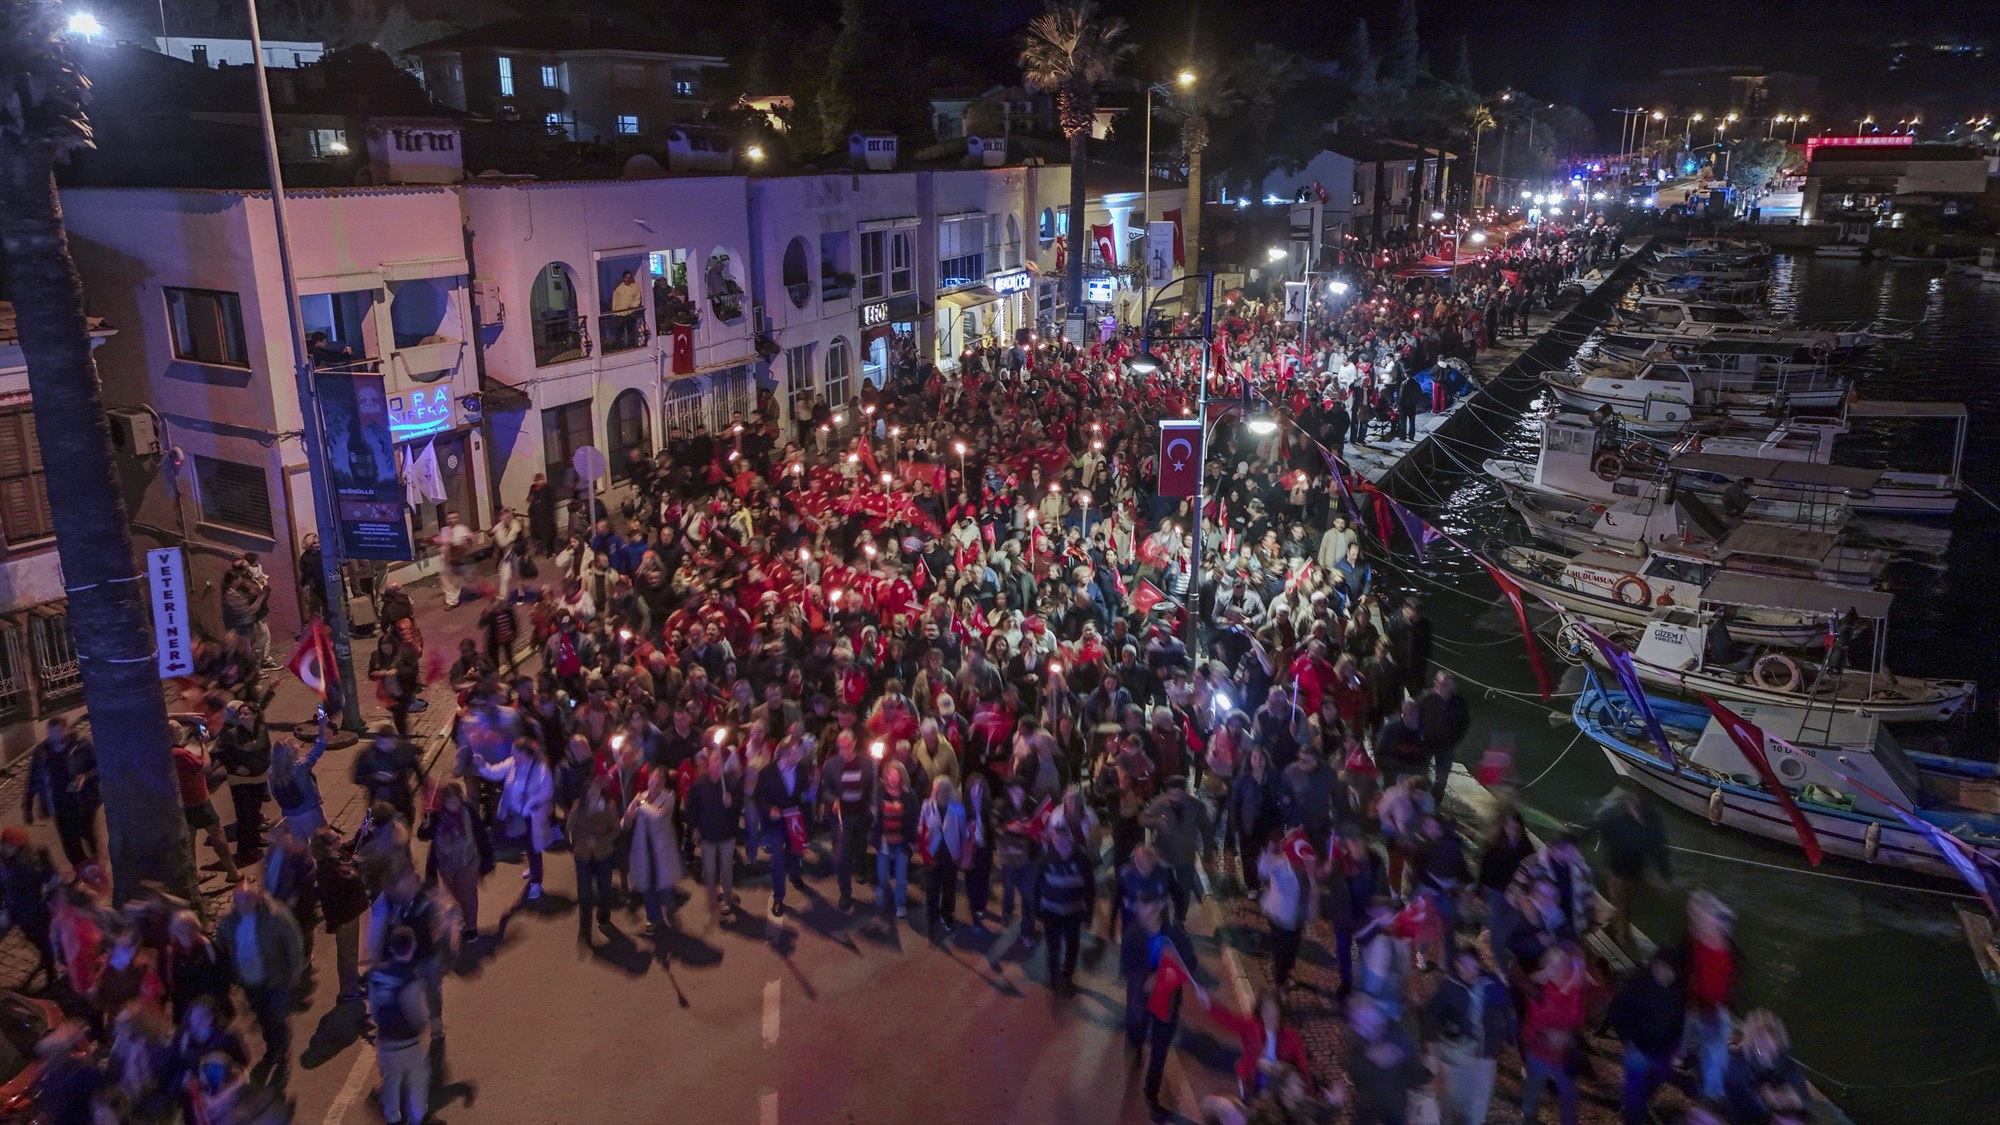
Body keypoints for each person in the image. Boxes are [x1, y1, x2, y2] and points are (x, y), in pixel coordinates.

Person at [1121, 894, 1203, 1123]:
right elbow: (1127, 968)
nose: (1143, 915)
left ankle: (1151, 1095)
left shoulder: (1174, 933)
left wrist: (1173, 968)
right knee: (1136, 1032)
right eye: (1141, 910)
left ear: (1158, 909)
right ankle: (1135, 1045)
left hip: (1167, 1001)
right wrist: (1147, 979)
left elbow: (1191, 962)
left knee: (1160, 1050)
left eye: (1148, 910)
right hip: (1141, 1000)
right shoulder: (1132, 934)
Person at [214, 880, 304, 1084]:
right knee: (263, 1016)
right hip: (249, 981)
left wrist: (295, 969)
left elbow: (293, 941)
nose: (242, 904)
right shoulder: (228, 923)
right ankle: (273, 1048)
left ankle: (282, 1051)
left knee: (276, 1016)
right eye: (238, 900)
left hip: (274, 978)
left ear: (255, 899)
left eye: (247, 899)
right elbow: (222, 947)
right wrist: (230, 977)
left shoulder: (275, 916)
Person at [1424, 947, 1515, 1125]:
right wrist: (1432, 1049)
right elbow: (1432, 1017)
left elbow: (1506, 1011)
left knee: (1480, 1100)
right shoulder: (1449, 988)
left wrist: (1510, 1039)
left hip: (1486, 1054)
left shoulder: (1492, 984)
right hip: (1459, 1054)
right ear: (1457, 965)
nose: (1469, 970)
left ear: (1478, 964)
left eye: (1472, 965)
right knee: (1452, 1098)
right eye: (1464, 965)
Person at [1587, 784, 1672, 956]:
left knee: (1626, 904)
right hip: (1615, 873)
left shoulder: (1652, 827)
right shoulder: (1618, 821)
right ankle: (1622, 936)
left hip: (1635, 875)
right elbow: (1597, 826)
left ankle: (1614, 927)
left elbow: (1659, 852)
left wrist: (1665, 876)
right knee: (1621, 905)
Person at [1677, 890, 1743, 1103]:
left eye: (1702, 915)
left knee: (1714, 1053)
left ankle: (1711, 1094)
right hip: (1692, 1003)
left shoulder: (1727, 947)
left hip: (1714, 1008)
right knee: (1683, 1030)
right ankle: (1681, 1055)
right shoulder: (1691, 941)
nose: (1697, 921)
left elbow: (1733, 979)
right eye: (1694, 916)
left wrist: (1723, 1004)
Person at [1610, 950, 1686, 1125]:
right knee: (1634, 1093)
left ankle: (1641, 1102)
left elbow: (1680, 1018)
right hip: (1638, 1049)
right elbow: (1617, 1012)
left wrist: (1678, 1044)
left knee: (1657, 1079)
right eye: (1658, 966)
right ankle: (1632, 1116)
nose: (1662, 972)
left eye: (1667, 968)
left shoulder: (1679, 990)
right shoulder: (1637, 986)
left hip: (1664, 1051)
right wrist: (1628, 1041)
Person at [368, 926, 432, 1125]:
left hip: (386, 1042)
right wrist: (425, 1025)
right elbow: (417, 1013)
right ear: (412, 946)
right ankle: (418, 1117)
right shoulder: (411, 977)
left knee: (391, 1081)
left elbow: (374, 1006)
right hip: (408, 1043)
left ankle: (393, 1118)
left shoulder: (375, 973)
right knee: (418, 1080)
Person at [477, 738, 555, 901]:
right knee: (519, 842)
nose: (512, 754)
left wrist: (531, 798)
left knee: (533, 847)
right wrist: (483, 764)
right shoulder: (512, 763)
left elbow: (547, 791)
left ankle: (536, 882)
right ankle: (533, 869)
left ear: (525, 754)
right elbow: (494, 772)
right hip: (514, 815)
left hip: (530, 817)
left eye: (515, 751)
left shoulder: (540, 769)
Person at [1520, 944, 1590, 1125]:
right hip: (1539, 1051)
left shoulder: (1576, 988)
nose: (1557, 967)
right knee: (1535, 1087)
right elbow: (1533, 1021)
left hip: (1564, 1054)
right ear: (1545, 965)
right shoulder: (1539, 988)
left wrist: (1569, 1036)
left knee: (1568, 1093)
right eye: (1552, 963)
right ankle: (1529, 1116)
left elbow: (1579, 1019)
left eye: (1562, 962)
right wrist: (1549, 1036)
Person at [418, 781, 491, 940]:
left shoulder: (468, 811)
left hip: (468, 860)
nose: (454, 805)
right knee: (453, 893)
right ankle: (462, 918)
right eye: (450, 801)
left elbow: (480, 834)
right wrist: (426, 825)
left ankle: (471, 926)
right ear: (444, 802)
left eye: (457, 801)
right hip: (446, 863)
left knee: (468, 894)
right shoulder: (436, 815)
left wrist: (487, 859)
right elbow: (422, 836)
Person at [25, 715, 100, 870]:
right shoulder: (41, 752)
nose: (55, 735)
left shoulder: (81, 747)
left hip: (83, 801)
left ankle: (94, 854)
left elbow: (99, 767)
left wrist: (84, 777)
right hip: (58, 803)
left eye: (59, 731)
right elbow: (33, 777)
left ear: (67, 730)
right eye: (52, 731)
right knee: (69, 842)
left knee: (86, 833)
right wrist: (27, 804)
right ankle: (81, 870)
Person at [1345, 994, 1427, 1125]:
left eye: (1367, 1021)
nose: (1363, 1029)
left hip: (1394, 1104)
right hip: (1369, 1100)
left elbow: (1415, 1073)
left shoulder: (1400, 1039)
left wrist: (1397, 1060)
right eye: (1358, 1024)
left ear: (1378, 1016)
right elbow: (1354, 1072)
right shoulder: (1357, 1041)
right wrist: (1368, 1056)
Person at [307, 829, 370, 1001]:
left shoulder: (333, 860)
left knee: (350, 953)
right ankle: (349, 989)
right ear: (328, 847)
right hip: (345, 918)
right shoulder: (329, 870)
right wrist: (354, 874)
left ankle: (353, 979)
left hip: (349, 915)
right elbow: (338, 893)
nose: (340, 838)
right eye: (336, 838)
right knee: (347, 955)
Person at [1139, 776, 1211, 926]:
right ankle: (1164, 922)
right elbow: (1142, 819)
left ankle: (1179, 919)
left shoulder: (1196, 806)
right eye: (1171, 794)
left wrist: (1208, 852)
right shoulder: (1159, 803)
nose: (1174, 798)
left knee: (1184, 891)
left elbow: (1206, 828)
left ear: (1184, 792)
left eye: (1178, 795)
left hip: (1186, 856)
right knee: (1163, 891)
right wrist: (1157, 820)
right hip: (1164, 856)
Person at [1036, 824, 1096, 998]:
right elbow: (1036, 885)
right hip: (1050, 911)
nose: (1061, 846)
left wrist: (1088, 916)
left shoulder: (1083, 860)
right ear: (1053, 840)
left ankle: (1067, 977)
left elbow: (1090, 889)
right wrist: (1036, 912)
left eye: (1065, 842)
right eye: (1058, 841)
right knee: (1053, 947)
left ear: (1070, 840)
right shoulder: (1045, 858)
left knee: (1072, 946)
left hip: (1074, 911)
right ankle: (1055, 979)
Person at [171, 736, 241, 884]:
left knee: (190, 838)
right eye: (178, 730)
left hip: (180, 801)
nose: (182, 732)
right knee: (217, 833)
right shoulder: (179, 753)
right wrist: (203, 744)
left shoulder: (161, 751)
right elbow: (205, 766)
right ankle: (232, 872)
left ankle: (194, 875)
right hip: (197, 799)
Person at [817, 733, 875, 911]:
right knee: (841, 855)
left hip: (860, 813)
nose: (843, 751)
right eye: (840, 747)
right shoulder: (832, 765)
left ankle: (858, 865)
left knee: (859, 844)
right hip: (842, 817)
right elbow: (825, 789)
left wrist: (872, 806)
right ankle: (845, 892)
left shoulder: (866, 763)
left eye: (847, 747)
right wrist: (833, 799)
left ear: (854, 743)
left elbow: (872, 788)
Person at [1723, 1009, 1809, 1125]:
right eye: (1761, 1041)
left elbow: (1801, 1089)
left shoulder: (1784, 1062)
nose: (1767, 1048)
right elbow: (1739, 1098)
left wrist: (1798, 1098)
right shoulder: (1736, 1065)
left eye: (1772, 1040)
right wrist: (1764, 1099)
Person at [211, 700, 272, 865]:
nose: (242, 716)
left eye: (246, 714)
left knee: (255, 812)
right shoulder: (232, 735)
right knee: (244, 816)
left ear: (255, 715)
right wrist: (236, 767)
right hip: (241, 782)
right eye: (240, 714)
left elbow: (266, 749)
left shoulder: (261, 730)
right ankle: (245, 850)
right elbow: (220, 753)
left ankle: (255, 839)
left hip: (259, 778)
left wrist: (265, 765)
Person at [624, 771, 683, 936]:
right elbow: (626, 821)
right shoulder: (640, 797)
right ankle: (654, 918)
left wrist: (641, 804)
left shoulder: (669, 798)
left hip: (661, 849)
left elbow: (657, 816)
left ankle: (670, 906)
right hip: (644, 848)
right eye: (652, 782)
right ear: (648, 781)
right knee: (648, 883)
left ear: (663, 784)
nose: (654, 786)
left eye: (658, 784)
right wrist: (629, 814)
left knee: (663, 885)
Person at [0, 827, 59, 989]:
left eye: (10, 845)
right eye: (5, 845)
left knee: (44, 943)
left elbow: (51, 881)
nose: (6, 849)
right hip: (18, 913)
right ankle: (47, 966)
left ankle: (50, 974)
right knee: (37, 942)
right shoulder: (4, 864)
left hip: (36, 913)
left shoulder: (34, 862)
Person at [685, 750, 741, 919]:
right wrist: (694, 827)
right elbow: (690, 807)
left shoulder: (731, 784)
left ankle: (726, 897)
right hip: (707, 835)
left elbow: (738, 808)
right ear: (708, 767)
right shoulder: (699, 785)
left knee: (726, 868)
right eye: (712, 766)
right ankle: (714, 892)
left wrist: (731, 804)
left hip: (726, 835)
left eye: (718, 767)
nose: (715, 770)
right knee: (709, 869)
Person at [1256, 833, 1312, 991]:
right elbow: (1263, 870)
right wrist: (1268, 853)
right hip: (1280, 914)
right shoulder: (1280, 862)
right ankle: (1280, 981)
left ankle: (1284, 972)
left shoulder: (1306, 863)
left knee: (1293, 946)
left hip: (1297, 915)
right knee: (1283, 949)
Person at [568, 776, 621, 940]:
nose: (594, 794)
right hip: (583, 856)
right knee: (584, 893)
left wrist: (598, 840)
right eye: (591, 791)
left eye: (597, 791)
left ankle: (603, 918)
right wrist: (577, 840)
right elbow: (571, 829)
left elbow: (615, 831)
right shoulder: (578, 807)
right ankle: (584, 927)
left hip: (603, 854)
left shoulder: (608, 807)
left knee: (604, 890)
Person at [919, 775, 968, 937]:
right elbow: (921, 828)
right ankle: (932, 920)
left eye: (945, 789)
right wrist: (924, 848)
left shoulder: (958, 808)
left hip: (950, 855)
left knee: (949, 889)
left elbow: (963, 832)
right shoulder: (927, 806)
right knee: (932, 890)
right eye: (939, 788)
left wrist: (962, 854)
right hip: (932, 855)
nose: (942, 792)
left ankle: (947, 916)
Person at [871, 760, 919, 921]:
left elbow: (914, 817)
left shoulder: (908, 794)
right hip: (884, 840)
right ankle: (882, 889)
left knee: (901, 876)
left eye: (896, 775)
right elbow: (873, 810)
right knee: (883, 875)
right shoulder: (879, 791)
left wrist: (914, 839)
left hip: (901, 841)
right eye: (890, 774)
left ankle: (900, 904)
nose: (892, 778)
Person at [1414, 672, 1469, 801]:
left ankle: (1434, 804)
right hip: (1426, 744)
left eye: (1445, 683)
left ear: (1452, 687)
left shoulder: (1459, 703)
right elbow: (1416, 716)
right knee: (1420, 773)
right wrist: (1419, 736)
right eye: (1439, 682)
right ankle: (1419, 800)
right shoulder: (1426, 697)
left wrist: (1454, 740)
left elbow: (1464, 724)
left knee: (1441, 779)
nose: (1440, 685)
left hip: (1446, 747)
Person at [354, 722, 420, 825]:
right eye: (383, 744)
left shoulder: (403, 748)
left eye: (390, 743)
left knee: (405, 825)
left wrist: (422, 781)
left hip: (401, 798)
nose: (387, 747)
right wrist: (375, 777)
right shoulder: (368, 755)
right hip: (379, 801)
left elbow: (415, 763)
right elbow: (357, 778)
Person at [435, 511, 477, 609]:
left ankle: (453, 601)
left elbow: (469, 542)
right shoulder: (444, 530)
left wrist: (464, 543)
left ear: (457, 518)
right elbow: (443, 543)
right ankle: (451, 600)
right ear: (446, 519)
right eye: (449, 518)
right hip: (446, 559)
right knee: (446, 581)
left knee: (457, 580)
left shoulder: (463, 529)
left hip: (458, 558)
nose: (451, 520)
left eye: (454, 518)